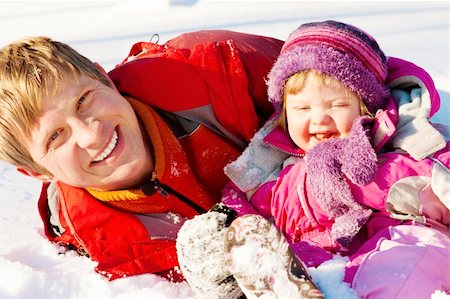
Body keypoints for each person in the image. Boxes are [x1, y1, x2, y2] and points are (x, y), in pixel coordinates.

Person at [176, 20, 450, 299]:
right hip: (330, 260)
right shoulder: (275, 165)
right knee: (303, 265)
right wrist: (223, 225)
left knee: (397, 269)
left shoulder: (407, 139)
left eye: (337, 105)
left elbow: (440, 170)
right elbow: (246, 205)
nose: (319, 118)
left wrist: (381, 182)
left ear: (366, 105)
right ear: (284, 113)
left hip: (408, 239)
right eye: (302, 107)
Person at [0, 30, 284, 281]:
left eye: (83, 100)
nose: (91, 135)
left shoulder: (212, 70)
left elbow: (322, 69)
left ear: (106, 79)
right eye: (55, 136)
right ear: (37, 173)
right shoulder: (96, 243)